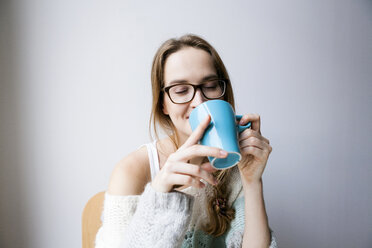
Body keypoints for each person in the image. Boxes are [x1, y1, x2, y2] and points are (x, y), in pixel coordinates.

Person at [95, 34, 277, 248]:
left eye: (210, 86)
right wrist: (161, 195)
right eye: (181, 90)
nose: (199, 102)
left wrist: (252, 181)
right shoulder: (133, 170)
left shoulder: (232, 162)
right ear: (163, 104)